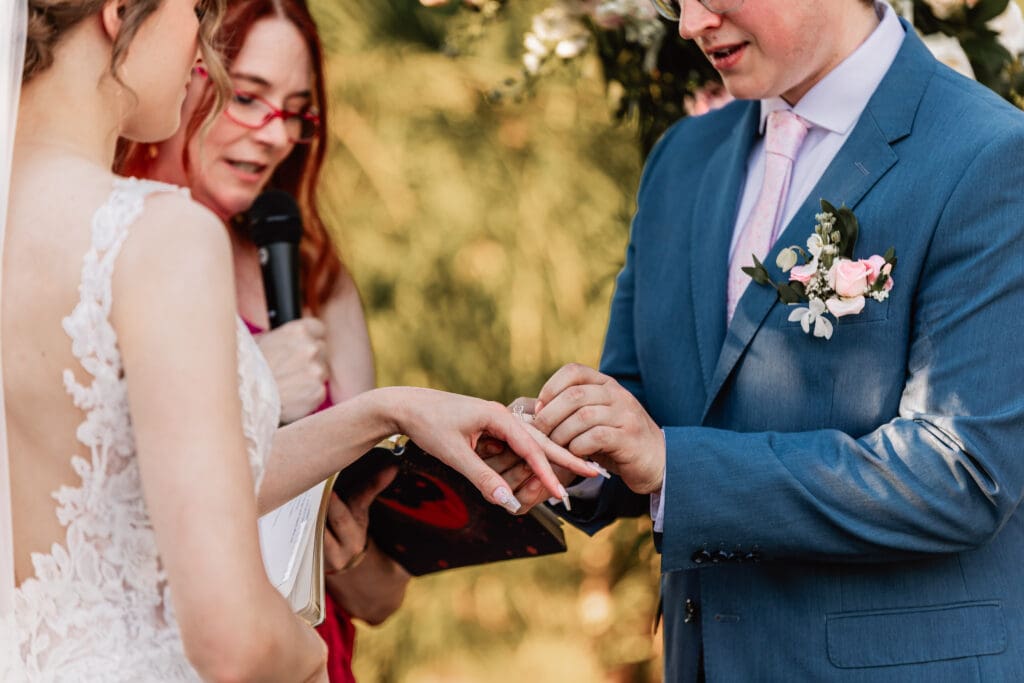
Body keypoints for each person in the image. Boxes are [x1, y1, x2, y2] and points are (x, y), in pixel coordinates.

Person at [0, 0, 595, 679]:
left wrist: (389, 409)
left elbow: (118, 493)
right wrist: (307, 653)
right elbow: (236, 644)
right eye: (195, 8)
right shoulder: (157, 236)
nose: (203, 52)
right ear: (119, 12)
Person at [496, 0, 1024, 680]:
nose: (689, 24)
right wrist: (572, 444)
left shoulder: (989, 154)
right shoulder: (682, 159)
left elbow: (961, 474)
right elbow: (649, 404)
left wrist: (673, 465)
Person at [116, 0, 408, 678]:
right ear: (186, 76)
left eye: (297, 110)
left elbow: (383, 597)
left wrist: (348, 546)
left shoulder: (320, 280)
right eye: (247, 97)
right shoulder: (109, 250)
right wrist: (255, 386)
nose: (276, 135)